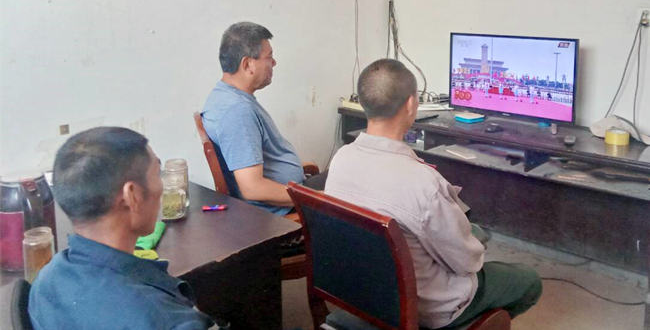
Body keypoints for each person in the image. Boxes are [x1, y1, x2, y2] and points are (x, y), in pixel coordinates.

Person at [325, 59, 541, 329]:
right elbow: (466, 261)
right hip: (426, 306)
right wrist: (474, 243)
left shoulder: (342, 158)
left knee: (467, 234)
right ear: (410, 104)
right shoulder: (423, 182)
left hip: (364, 292)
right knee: (528, 280)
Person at [29, 127, 215, 330]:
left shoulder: (45, 281)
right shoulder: (171, 322)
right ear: (132, 196)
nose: (161, 186)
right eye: (157, 174)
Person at [202, 22, 325, 216]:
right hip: (284, 209)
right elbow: (253, 189)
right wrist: (318, 198)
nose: (274, 63)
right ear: (247, 65)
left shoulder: (224, 96)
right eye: (269, 57)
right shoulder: (237, 112)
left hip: (293, 192)